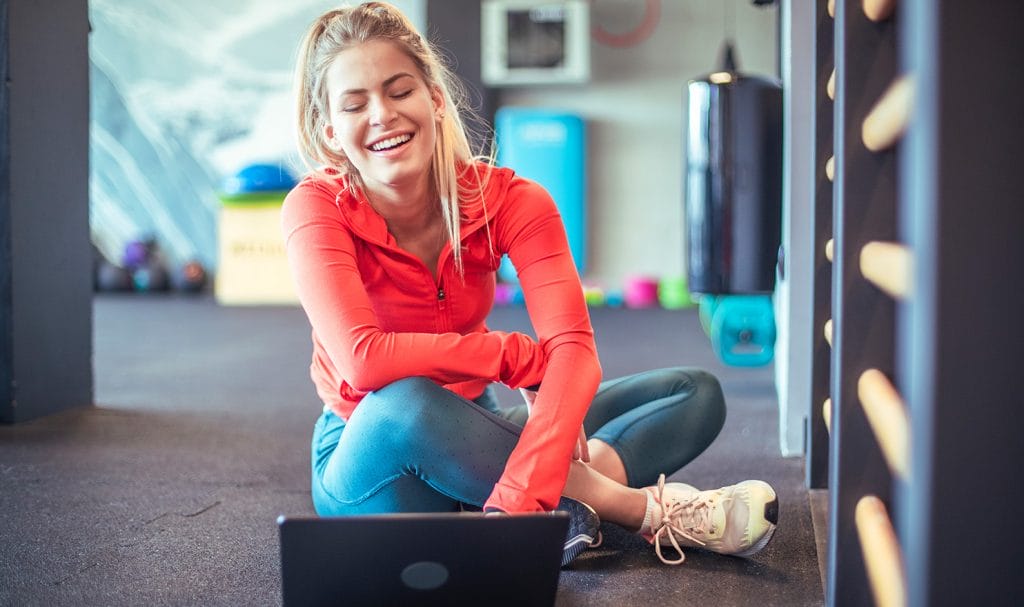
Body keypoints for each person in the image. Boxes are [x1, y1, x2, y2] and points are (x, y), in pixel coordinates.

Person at [282, 1, 778, 567]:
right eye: (355, 104)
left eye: (400, 91)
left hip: (478, 424)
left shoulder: (511, 200)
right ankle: (639, 511)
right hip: (371, 453)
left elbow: (573, 351)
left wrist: (530, 470)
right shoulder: (315, 208)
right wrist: (510, 354)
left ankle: (538, 511)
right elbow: (364, 362)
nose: (382, 115)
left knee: (691, 393)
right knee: (406, 402)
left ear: (435, 98)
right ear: (330, 132)